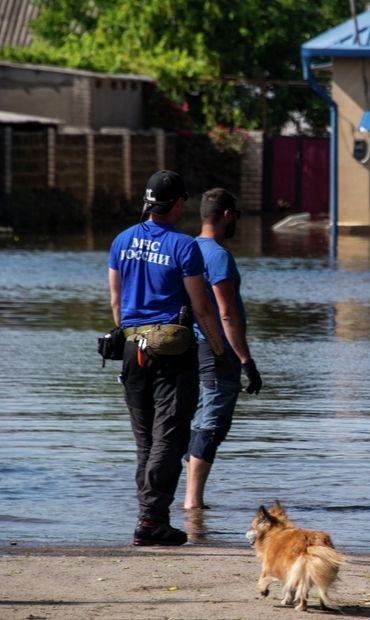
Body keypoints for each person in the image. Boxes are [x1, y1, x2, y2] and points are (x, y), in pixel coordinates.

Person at [109, 170, 233, 546]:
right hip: (172, 354)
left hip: (132, 349)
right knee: (170, 437)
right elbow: (202, 309)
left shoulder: (121, 240)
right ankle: (151, 521)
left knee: (146, 440)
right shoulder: (184, 246)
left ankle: (150, 518)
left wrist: (132, 335)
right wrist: (219, 350)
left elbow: (116, 302)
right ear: (178, 204)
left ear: (148, 202)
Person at [183, 188, 262, 510]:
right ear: (227, 215)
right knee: (212, 423)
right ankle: (193, 502)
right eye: (237, 217)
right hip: (217, 351)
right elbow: (226, 314)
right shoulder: (218, 255)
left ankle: (191, 502)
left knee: (201, 419)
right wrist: (246, 361)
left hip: (192, 349)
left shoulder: (186, 248)